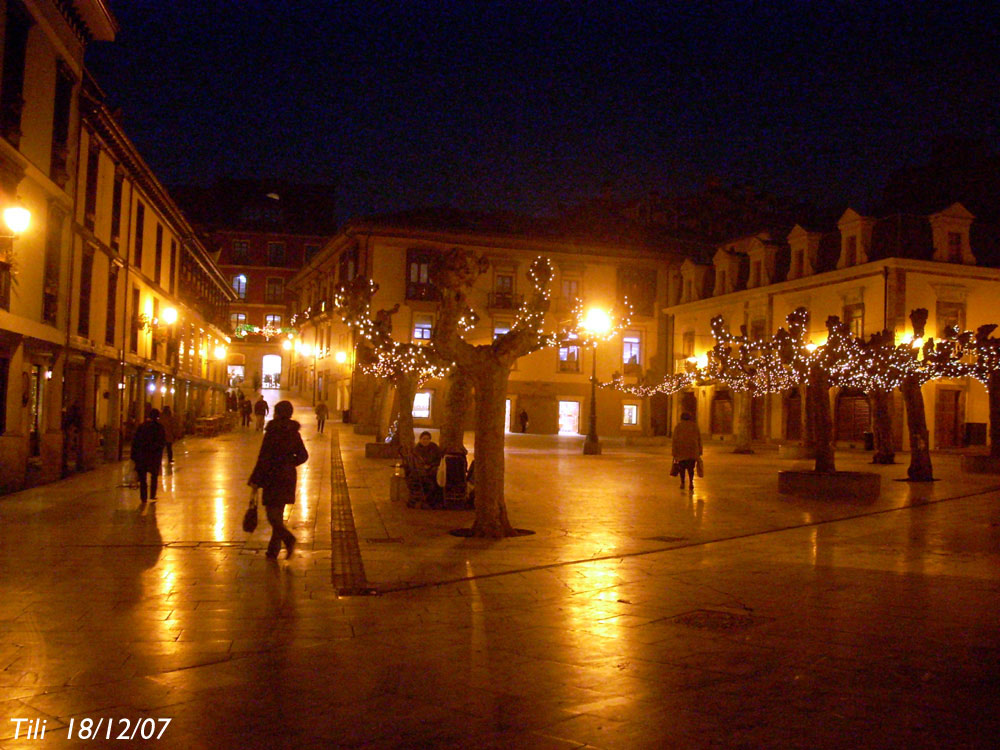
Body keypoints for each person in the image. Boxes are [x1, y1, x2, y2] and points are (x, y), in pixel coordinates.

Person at [248, 400, 309, 560]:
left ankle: (288, 539)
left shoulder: (273, 431)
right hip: (287, 477)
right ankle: (273, 551)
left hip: (272, 477)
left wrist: (255, 480)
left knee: (272, 516)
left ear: (277, 412)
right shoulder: (294, 432)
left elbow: (264, 457)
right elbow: (303, 455)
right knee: (278, 514)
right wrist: (289, 463)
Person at [131, 408, 166, 502]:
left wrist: (133, 456)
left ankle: (143, 497)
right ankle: (152, 494)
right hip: (154, 456)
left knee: (142, 478)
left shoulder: (142, 427)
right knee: (154, 476)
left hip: (142, 456)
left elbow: (135, 442)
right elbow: (162, 442)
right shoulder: (159, 428)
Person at [410, 430, 442, 507]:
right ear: (420, 439)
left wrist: (431, 465)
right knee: (427, 481)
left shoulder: (434, 447)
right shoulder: (417, 450)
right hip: (421, 471)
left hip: (432, 468)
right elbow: (416, 461)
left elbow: (438, 459)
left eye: (427, 439)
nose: (425, 441)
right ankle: (428, 499)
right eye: (424, 439)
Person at [672, 412, 703, 491]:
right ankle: (691, 483)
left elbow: (675, 440)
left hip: (681, 451)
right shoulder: (695, 426)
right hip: (692, 451)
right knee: (691, 469)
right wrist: (700, 450)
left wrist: (674, 452)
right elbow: (699, 439)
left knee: (682, 468)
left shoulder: (678, 427)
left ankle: (682, 483)